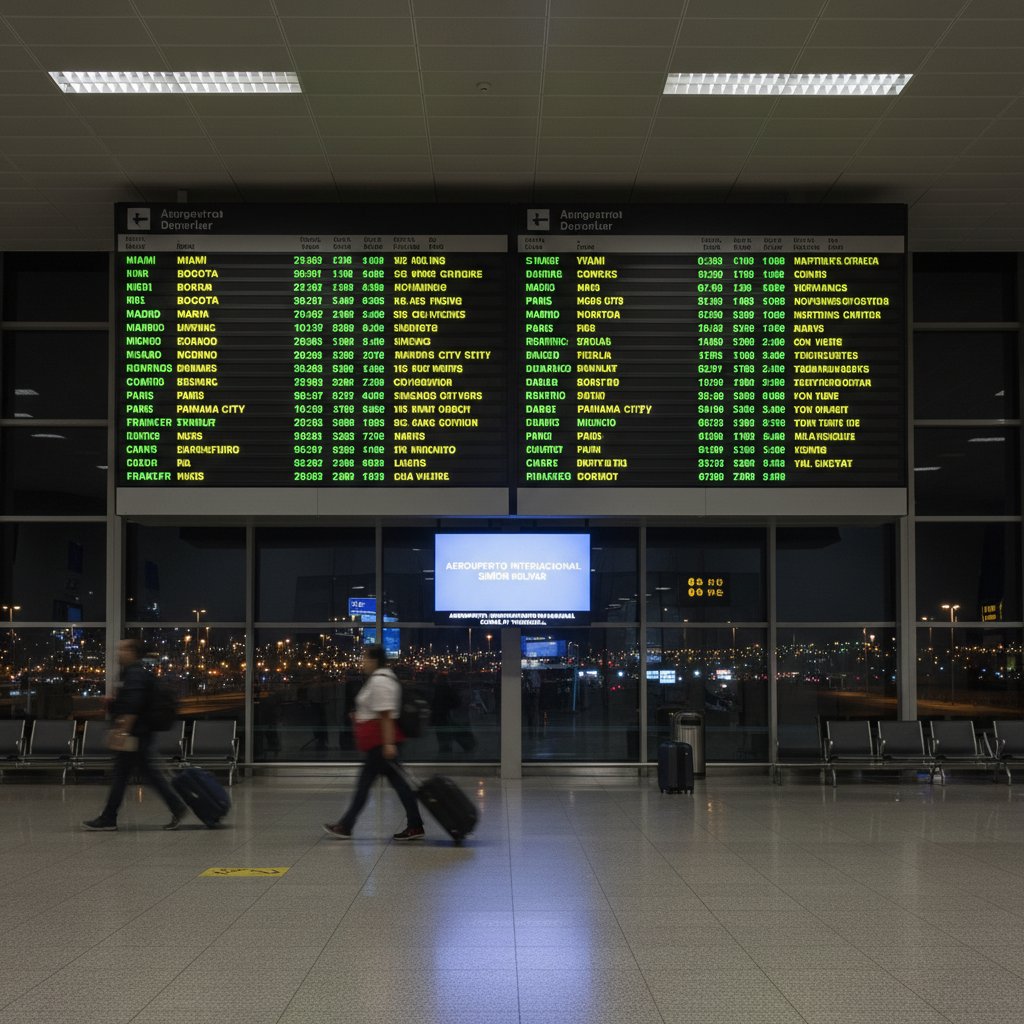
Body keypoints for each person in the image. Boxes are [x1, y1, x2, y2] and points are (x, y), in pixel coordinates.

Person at [82, 638, 187, 831]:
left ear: (132, 652)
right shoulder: (133, 673)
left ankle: (109, 818)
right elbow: (129, 703)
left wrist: (122, 732)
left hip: (135, 734)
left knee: (127, 774)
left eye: (122, 649)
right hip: (138, 733)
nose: (118, 653)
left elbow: (133, 707)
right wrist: (113, 705)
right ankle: (175, 806)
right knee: (135, 774)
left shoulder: (135, 675)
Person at [322, 645, 425, 841]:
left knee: (365, 785)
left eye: (365, 658)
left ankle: (346, 825)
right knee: (399, 785)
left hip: (381, 743)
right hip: (382, 742)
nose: (363, 662)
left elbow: (385, 714)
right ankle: (415, 824)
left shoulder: (380, 681)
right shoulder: (383, 678)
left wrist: (388, 744)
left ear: (374, 660)